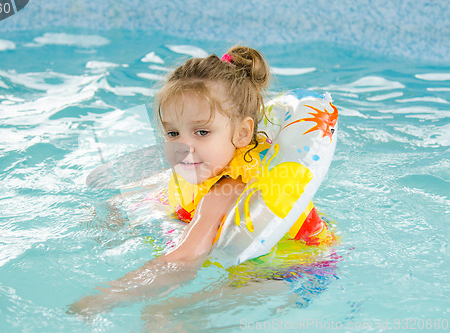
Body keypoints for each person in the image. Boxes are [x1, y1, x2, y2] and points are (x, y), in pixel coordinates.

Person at [69, 46, 329, 316]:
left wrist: (105, 297)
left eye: (202, 131)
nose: (183, 145)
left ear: (242, 133)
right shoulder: (206, 164)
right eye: (173, 132)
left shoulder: (230, 187)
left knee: (162, 313)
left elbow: (185, 259)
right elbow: (164, 191)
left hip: (294, 274)